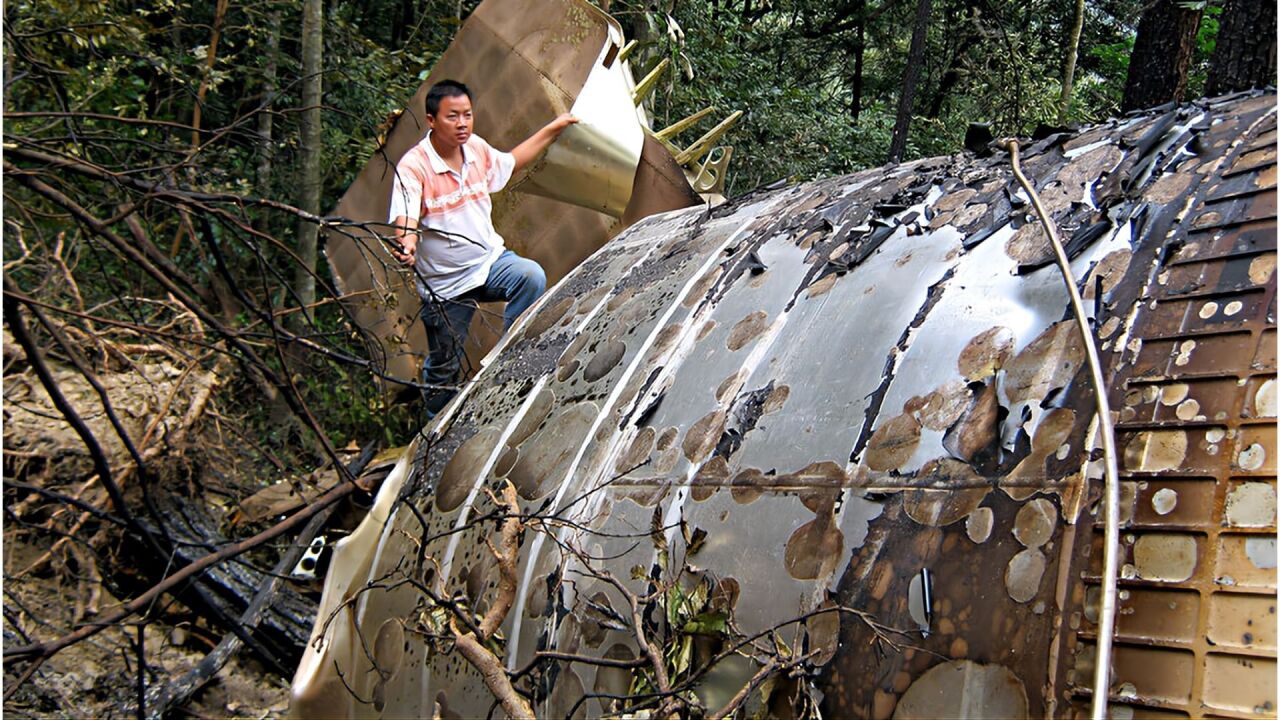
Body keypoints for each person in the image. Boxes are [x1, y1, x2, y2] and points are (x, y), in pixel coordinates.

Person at [388, 79, 577, 416]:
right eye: (452, 117)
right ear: (431, 120)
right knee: (444, 367)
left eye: (467, 115)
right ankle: (434, 431)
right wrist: (408, 242)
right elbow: (405, 216)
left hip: (488, 262)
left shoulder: (475, 148)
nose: (462, 124)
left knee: (529, 276)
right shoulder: (414, 166)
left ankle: (508, 368)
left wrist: (555, 128)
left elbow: (511, 162)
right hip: (445, 285)